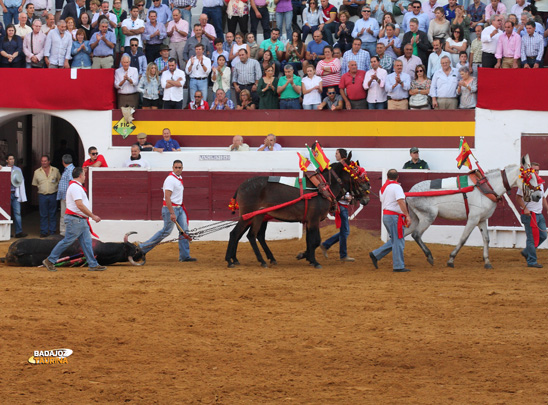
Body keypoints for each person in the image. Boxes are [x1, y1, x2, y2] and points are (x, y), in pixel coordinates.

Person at [42, 167, 107, 272]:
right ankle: (50, 260)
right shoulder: (75, 187)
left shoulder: (75, 186)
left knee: (86, 242)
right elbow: (79, 205)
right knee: (68, 241)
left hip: (79, 219)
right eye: (84, 175)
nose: (85, 177)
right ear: (80, 175)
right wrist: (93, 216)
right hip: (75, 219)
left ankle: (93, 264)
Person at [138, 160, 196, 262]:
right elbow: (167, 197)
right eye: (176, 167)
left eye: (179, 167)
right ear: (172, 168)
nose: (178, 169)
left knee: (184, 231)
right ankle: (142, 247)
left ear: (182, 168)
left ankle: (184, 256)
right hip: (171, 209)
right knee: (166, 231)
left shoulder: (179, 178)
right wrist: (172, 213)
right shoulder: (170, 179)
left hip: (179, 208)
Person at [369, 169, 412, 272]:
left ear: (387, 177)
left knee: (395, 240)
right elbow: (400, 202)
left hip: (387, 216)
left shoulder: (383, 188)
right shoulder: (397, 187)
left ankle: (376, 254)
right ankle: (398, 266)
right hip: (394, 217)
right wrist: (407, 215)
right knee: (398, 240)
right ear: (397, 177)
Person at [319, 149, 355, 261]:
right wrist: (345, 196)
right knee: (345, 231)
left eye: (337, 153)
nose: (335, 155)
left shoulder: (338, 168)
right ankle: (341, 254)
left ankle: (326, 245)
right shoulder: (338, 168)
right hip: (340, 204)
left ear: (342, 155)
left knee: (345, 231)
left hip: (341, 204)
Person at [516, 162, 547, 268]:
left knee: (543, 235)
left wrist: (547, 209)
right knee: (531, 238)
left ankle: (527, 251)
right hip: (529, 215)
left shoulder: (540, 183)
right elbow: (518, 197)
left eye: (538, 170)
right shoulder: (524, 183)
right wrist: (525, 209)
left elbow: (543, 198)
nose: (536, 172)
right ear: (530, 171)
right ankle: (531, 261)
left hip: (539, 214)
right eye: (534, 170)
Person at [32, 155, 60, 237]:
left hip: (53, 195)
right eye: (42, 161)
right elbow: (35, 184)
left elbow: (59, 181)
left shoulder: (55, 170)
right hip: (42, 196)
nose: (43, 162)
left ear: (49, 161)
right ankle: (44, 232)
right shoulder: (37, 172)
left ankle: (52, 232)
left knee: (53, 214)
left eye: (45, 161)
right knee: (43, 214)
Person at [2, 154, 27, 238]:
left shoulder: (18, 169)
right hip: (6, 194)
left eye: (13, 158)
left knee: (17, 213)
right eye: (10, 159)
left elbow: (21, 182)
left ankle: (18, 232)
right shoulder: (3, 169)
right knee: (6, 214)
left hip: (15, 193)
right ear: (6, 160)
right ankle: (5, 233)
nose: (12, 160)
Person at [56, 154, 74, 237]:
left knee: (65, 215)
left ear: (63, 162)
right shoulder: (69, 169)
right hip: (65, 197)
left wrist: (68, 196)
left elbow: (71, 183)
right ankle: (64, 232)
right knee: (65, 215)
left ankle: (64, 232)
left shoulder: (70, 170)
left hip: (67, 197)